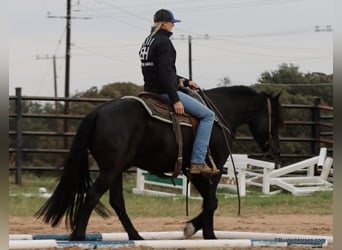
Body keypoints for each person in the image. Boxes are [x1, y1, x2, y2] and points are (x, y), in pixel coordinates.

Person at [139, 9, 219, 175]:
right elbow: (165, 73)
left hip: (149, 90)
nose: (173, 25)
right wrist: (176, 99)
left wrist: (186, 81)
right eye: (172, 22)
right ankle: (197, 161)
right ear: (165, 23)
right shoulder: (164, 42)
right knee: (208, 116)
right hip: (164, 91)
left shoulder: (148, 41)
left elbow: (160, 70)